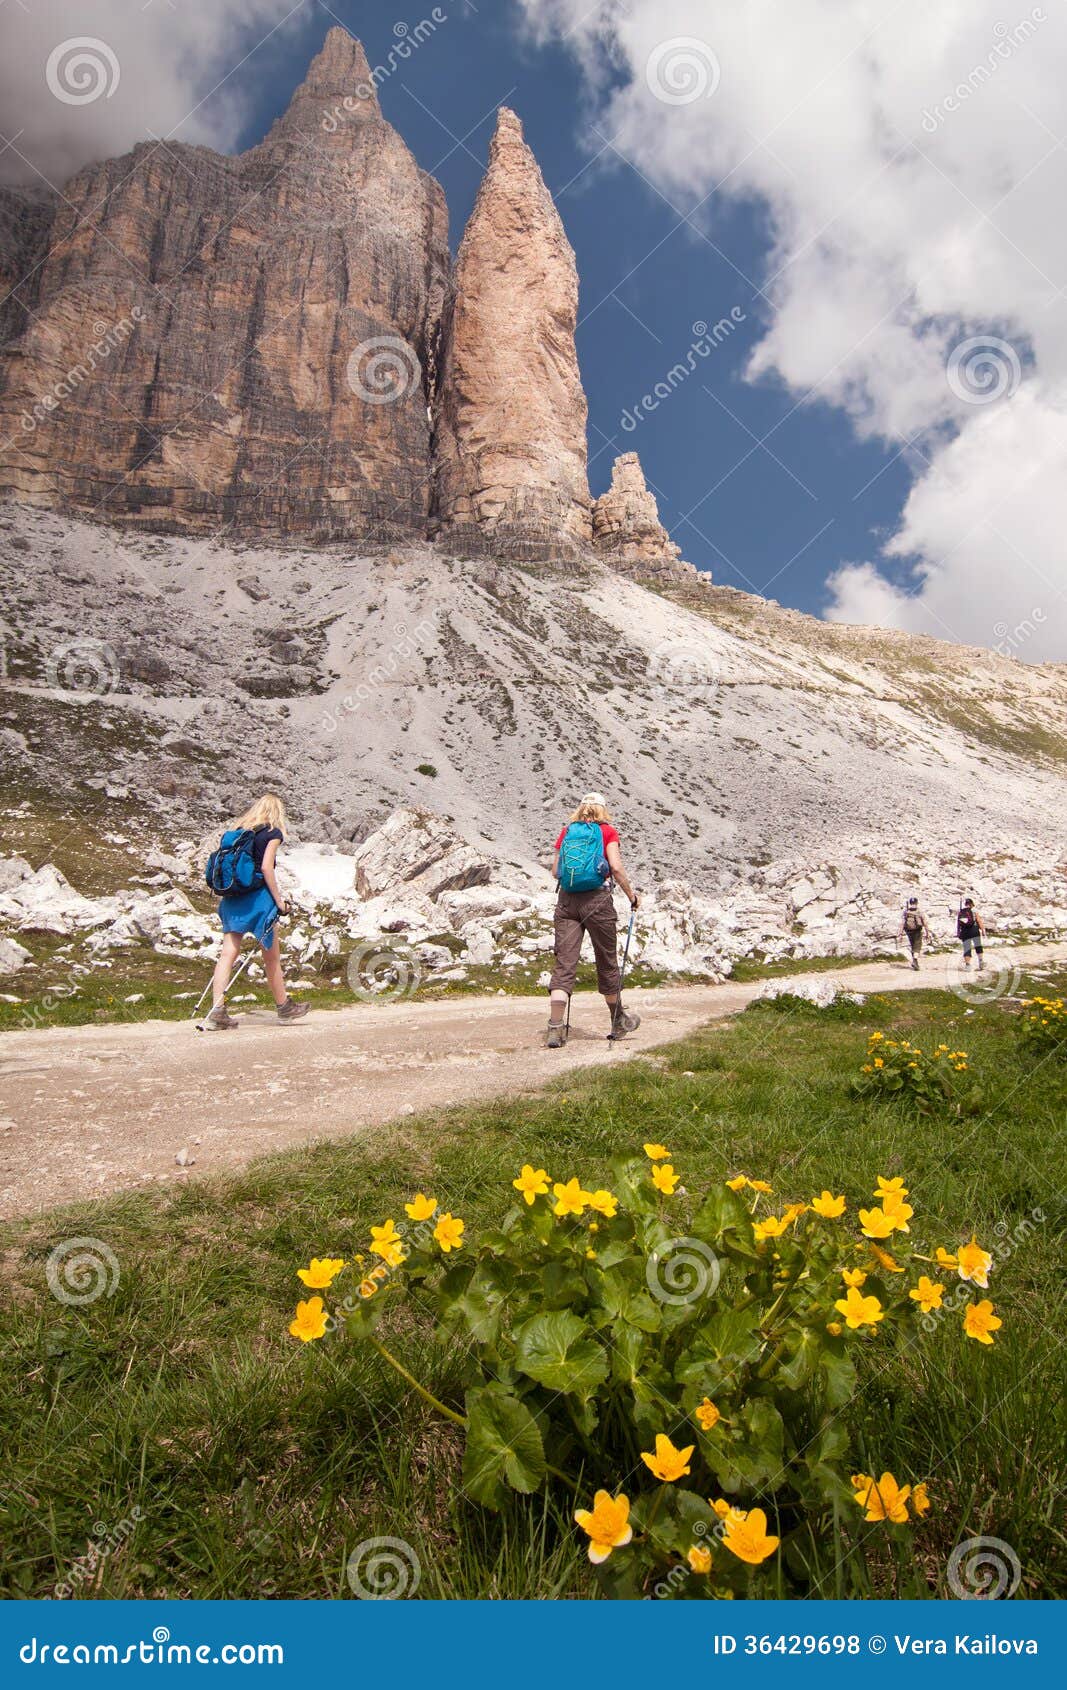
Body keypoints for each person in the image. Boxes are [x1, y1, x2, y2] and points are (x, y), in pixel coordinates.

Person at [203, 793, 309, 1030]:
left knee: (228, 953)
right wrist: (280, 902)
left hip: (232, 898)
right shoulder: (273, 833)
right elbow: (266, 867)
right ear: (277, 812)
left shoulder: (239, 832)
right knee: (271, 957)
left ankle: (217, 1010)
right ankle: (284, 1007)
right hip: (259, 899)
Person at [546, 792, 640, 1048]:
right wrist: (631, 896)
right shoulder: (607, 831)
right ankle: (618, 1020)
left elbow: (556, 871)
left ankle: (554, 1028)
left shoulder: (567, 832)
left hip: (566, 901)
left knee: (564, 964)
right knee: (607, 961)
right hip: (598, 901)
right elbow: (617, 868)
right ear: (603, 810)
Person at [898, 896, 931, 970]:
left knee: (913, 945)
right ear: (917, 903)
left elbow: (902, 923)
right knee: (917, 946)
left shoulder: (906, 912)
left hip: (909, 931)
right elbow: (925, 923)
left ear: (910, 903)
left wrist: (900, 933)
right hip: (917, 930)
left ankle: (914, 961)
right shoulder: (919, 912)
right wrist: (927, 933)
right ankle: (915, 961)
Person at [957, 897, 985, 970]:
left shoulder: (961, 911)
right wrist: (983, 930)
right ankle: (981, 962)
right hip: (974, 930)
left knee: (967, 948)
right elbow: (978, 920)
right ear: (972, 904)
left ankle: (968, 965)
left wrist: (958, 932)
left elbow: (959, 923)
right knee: (978, 946)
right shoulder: (974, 911)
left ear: (965, 904)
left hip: (965, 932)